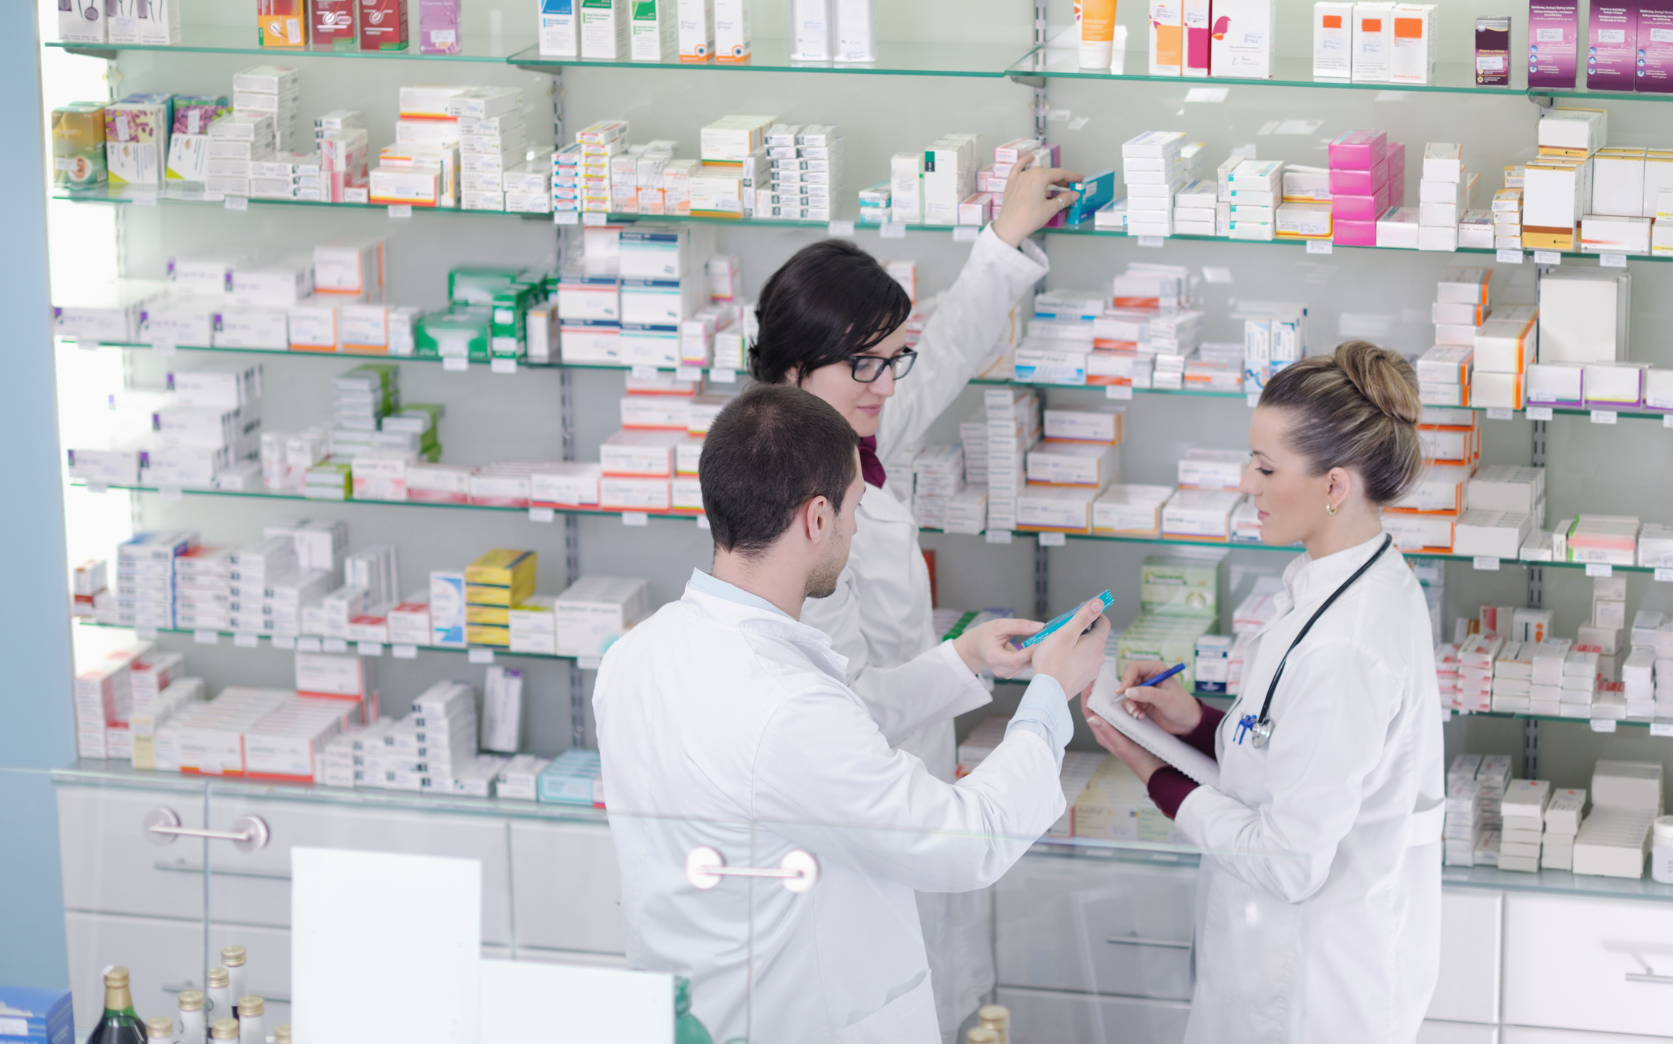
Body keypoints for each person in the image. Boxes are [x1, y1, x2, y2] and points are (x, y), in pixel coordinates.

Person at [593, 384, 1113, 1044]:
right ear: (816, 519)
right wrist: (1048, 699)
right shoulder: (785, 706)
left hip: (697, 1012)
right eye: (854, 508)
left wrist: (964, 657)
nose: (856, 529)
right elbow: (964, 841)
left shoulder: (637, 654)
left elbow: (820, 756)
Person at [749, 149, 1081, 1030]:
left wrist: (1004, 239)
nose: (888, 384)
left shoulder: (844, 423)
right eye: (864, 366)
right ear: (791, 373)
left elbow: (946, 355)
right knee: (901, 993)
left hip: (913, 777)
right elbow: (845, 708)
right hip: (866, 805)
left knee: (939, 992)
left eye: (893, 358)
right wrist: (972, 671)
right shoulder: (793, 514)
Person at [1082, 341, 1446, 1044]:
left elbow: (1287, 862)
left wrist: (1147, 768)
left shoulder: (1348, 643)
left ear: (1335, 486)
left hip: (1312, 994)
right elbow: (1290, 746)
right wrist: (1190, 719)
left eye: (1267, 467)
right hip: (1276, 963)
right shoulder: (1342, 577)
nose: (1248, 482)